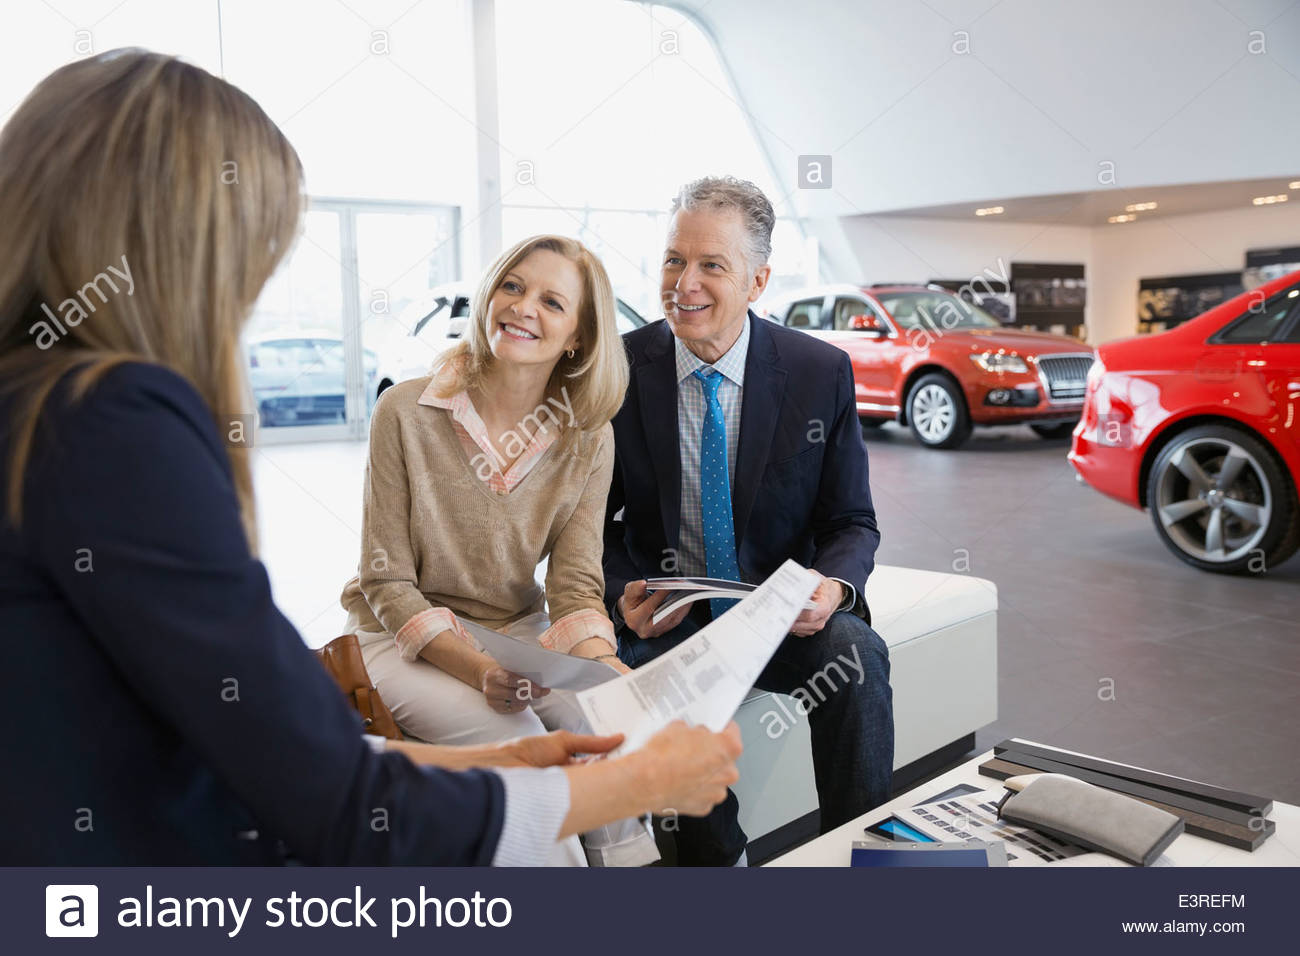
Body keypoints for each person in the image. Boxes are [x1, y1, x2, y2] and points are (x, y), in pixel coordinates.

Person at [0, 49, 741, 866]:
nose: (249, 292)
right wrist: (633, 786)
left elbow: (285, 749)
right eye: (253, 252)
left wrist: (509, 761)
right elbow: (331, 796)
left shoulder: (42, 403)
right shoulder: (113, 422)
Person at [339, 233, 663, 866]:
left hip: (514, 632)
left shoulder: (588, 437)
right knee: (526, 761)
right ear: (489, 296)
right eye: (512, 287)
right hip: (395, 638)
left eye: (551, 301)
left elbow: (573, 584)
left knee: (609, 731)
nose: (522, 308)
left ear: (577, 336)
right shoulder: (404, 411)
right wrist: (482, 671)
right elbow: (386, 584)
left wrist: (604, 667)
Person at [603, 176, 895, 866]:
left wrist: (833, 588)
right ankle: (717, 872)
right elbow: (591, 523)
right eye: (675, 260)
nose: (686, 284)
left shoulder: (818, 372)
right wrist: (620, 593)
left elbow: (853, 520)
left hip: (776, 613)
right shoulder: (617, 369)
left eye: (712, 265)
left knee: (856, 658)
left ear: (758, 280)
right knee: (654, 699)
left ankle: (865, 864)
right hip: (666, 617)